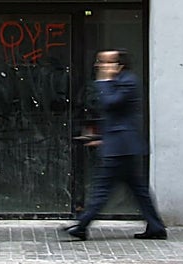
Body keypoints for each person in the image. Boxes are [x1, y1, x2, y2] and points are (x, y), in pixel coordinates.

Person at [62, 49, 167, 241]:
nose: (100, 65)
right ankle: (156, 226)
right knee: (139, 191)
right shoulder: (123, 81)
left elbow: (110, 103)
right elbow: (115, 115)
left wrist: (105, 81)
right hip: (122, 145)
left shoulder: (126, 81)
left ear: (119, 65)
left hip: (121, 148)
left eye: (105, 62)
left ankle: (82, 226)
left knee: (102, 190)